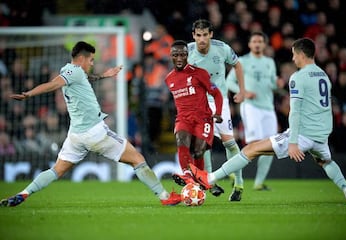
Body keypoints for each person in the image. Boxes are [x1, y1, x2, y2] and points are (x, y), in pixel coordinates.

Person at [0, 41, 181, 207]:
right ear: (81, 58)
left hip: (76, 136)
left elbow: (85, 78)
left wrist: (104, 75)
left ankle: (24, 193)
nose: (92, 63)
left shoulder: (71, 71)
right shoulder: (73, 72)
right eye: (91, 60)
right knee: (138, 160)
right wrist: (28, 94)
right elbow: (52, 84)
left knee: (56, 170)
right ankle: (165, 197)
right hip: (95, 132)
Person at [188, 37, 346, 205]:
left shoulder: (298, 77)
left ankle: (209, 178)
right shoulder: (324, 76)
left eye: (294, 55)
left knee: (251, 149)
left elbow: (295, 112)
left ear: (301, 55)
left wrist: (293, 142)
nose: (293, 59)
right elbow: (325, 109)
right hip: (320, 136)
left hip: (301, 135)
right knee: (326, 161)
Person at [187, 19, 245, 198]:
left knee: (229, 142)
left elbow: (237, 65)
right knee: (203, 142)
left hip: (219, 101)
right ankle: (209, 182)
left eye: (205, 35)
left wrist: (242, 91)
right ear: (193, 36)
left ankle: (239, 184)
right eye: (199, 35)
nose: (202, 39)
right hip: (199, 103)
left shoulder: (223, 48)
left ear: (211, 34)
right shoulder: (187, 51)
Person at [225, 32, 284, 199]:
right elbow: (229, 82)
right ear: (250, 44)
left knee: (270, 144)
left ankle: (259, 183)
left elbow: (272, 84)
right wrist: (243, 92)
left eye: (260, 41)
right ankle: (233, 173)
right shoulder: (242, 61)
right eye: (254, 41)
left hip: (268, 108)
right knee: (255, 143)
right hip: (251, 107)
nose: (257, 44)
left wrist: (278, 84)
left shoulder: (270, 62)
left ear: (264, 45)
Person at [165, 40, 223, 186]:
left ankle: (199, 181)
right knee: (181, 139)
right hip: (183, 118)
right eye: (175, 55)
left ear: (187, 55)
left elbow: (216, 94)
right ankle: (187, 175)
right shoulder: (169, 79)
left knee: (198, 151)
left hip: (203, 119)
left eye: (182, 55)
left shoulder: (200, 73)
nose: (179, 58)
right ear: (170, 56)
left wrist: (218, 113)